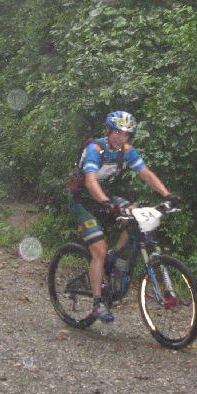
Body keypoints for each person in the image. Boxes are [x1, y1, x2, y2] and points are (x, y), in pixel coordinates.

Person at [68, 110, 179, 322]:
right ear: (109, 131)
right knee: (98, 250)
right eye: (117, 132)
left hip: (106, 197)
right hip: (84, 202)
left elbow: (145, 173)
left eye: (126, 133)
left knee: (136, 213)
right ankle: (97, 304)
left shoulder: (126, 151)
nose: (121, 137)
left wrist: (167, 195)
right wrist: (107, 203)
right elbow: (91, 182)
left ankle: (116, 256)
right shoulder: (95, 150)